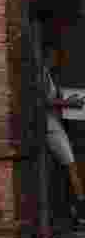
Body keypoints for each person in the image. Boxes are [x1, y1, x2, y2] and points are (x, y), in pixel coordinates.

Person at [42, 43, 85, 226]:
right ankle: (81, 211)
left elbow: (53, 99)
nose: (57, 60)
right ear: (48, 56)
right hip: (49, 126)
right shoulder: (41, 73)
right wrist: (69, 104)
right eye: (55, 56)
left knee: (67, 169)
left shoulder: (48, 75)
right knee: (71, 167)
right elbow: (45, 102)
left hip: (55, 123)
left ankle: (74, 210)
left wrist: (68, 100)